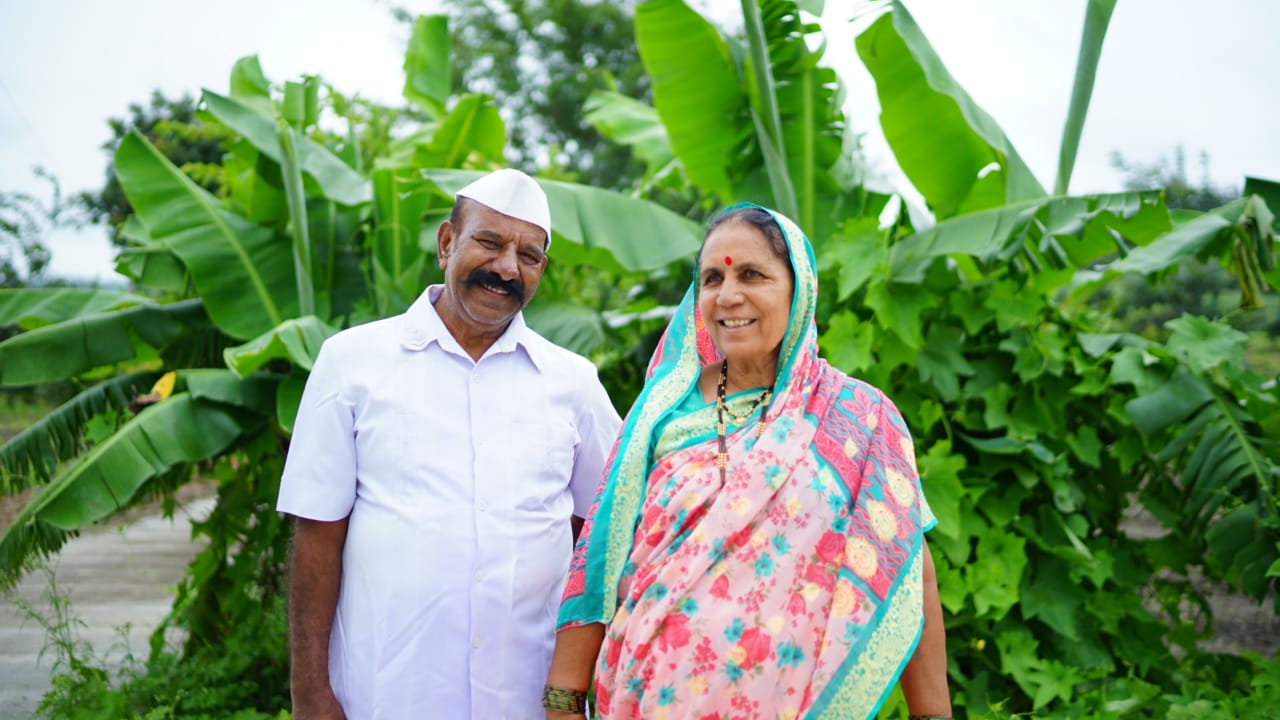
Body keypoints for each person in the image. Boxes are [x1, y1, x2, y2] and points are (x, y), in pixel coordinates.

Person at [544, 204, 951, 719]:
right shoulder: (661, 411)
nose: (728, 295)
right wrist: (562, 700)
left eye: (752, 274)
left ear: (798, 288)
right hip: (642, 699)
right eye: (713, 278)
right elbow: (599, 557)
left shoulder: (860, 421)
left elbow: (912, 571)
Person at [277, 168, 623, 720]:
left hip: (527, 698)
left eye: (528, 255)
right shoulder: (352, 362)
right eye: (489, 242)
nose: (507, 267)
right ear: (446, 243)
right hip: (387, 692)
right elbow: (317, 531)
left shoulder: (574, 383)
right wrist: (310, 692)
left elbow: (605, 533)